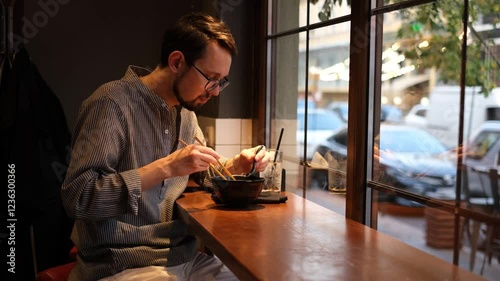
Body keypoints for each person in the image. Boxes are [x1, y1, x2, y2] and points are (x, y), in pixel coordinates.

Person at [61, 12, 270, 281]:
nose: (215, 91)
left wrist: (236, 165)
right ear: (176, 61)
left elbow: (201, 173)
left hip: (184, 256)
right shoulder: (111, 104)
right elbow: (78, 199)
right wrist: (165, 167)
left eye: (222, 81)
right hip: (121, 262)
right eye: (211, 78)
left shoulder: (186, 114)